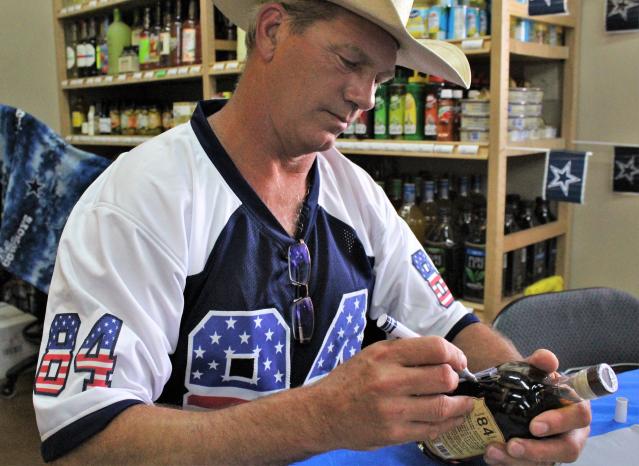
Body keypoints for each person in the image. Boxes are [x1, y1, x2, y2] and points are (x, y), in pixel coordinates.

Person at [33, 1, 590, 464]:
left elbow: (453, 323)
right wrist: (323, 417)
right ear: (272, 31)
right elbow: (85, 442)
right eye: (350, 61)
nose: (366, 97)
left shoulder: (358, 196)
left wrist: (532, 392)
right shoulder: (139, 201)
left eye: (379, 78)